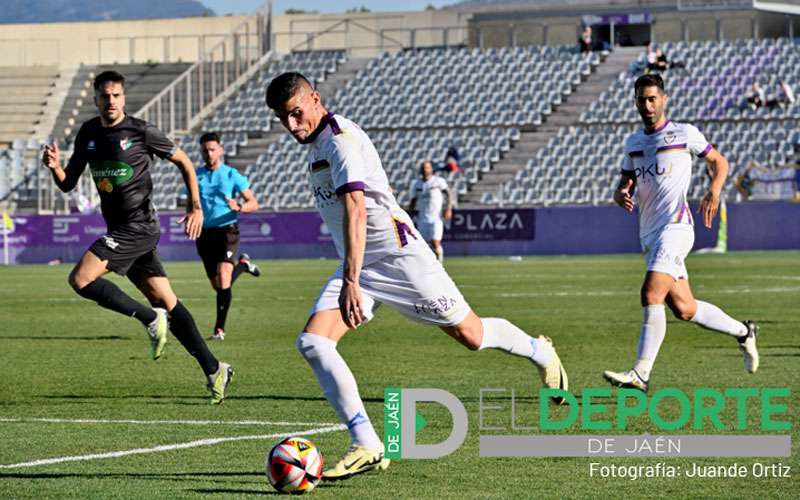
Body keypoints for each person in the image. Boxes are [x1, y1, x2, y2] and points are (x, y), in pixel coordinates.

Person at [266, 72, 569, 481]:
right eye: (283, 119)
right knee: (314, 342)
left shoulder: (341, 140)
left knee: (472, 336)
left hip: (398, 257)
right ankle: (367, 443)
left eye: (296, 114)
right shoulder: (316, 143)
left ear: (316, 100)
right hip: (360, 264)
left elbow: (356, 208)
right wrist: (353, 275)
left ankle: (539, 349)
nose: (291, 126)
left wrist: (351, 281)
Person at [41, 70, 233, 404]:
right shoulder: (88, 133)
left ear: (123, 97)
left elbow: (185, 162)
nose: (110, 101)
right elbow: (68, 182)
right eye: (104, 95)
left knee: (81, 279)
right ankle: (215, 368)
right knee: (166, 301)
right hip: (120, 230)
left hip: (139, 226)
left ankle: (148, 319)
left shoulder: (141, 130)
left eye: (116, 95)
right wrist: (55, 166)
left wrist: (196, 207)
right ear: (96, 98)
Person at [603, 73, 759, 393]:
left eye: (652, 99)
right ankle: (744, 332)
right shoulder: (634, 143)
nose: (647, 105)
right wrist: (620, 193)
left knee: (650, 293)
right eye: (641, 100)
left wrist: (714, 190)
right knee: (685, 309)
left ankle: (641, 373)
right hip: (649, 234)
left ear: (664, 99)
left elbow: (720, 161)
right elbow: (625, 181)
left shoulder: (684, 133)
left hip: (676, 227)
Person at [195, 132, 262, 341]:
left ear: (221, 150)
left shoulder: (232, 175)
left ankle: (219, 330)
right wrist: (190, 214)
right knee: (219, 286)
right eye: (205, 150)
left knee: (224, 278)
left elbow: (254, 202)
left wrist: (239, 206)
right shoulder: (196, 175)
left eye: (212, 149)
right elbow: (191, 203)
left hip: (227, 230)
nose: (209, 153)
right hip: (204, 233)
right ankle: (243, 265)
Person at [408, 160, 452, 263]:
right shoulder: (417, 184)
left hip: (436, 218)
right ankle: (428, 266)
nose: (425, 169)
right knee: (423, 245)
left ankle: (440, 266)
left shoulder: (438, 181)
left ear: (431, 169)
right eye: (423, 167)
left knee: (435, 242)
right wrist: (410, 215)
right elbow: (413, 201)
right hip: (422, 218)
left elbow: (449, 194)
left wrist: (448, 208)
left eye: (427, 167)